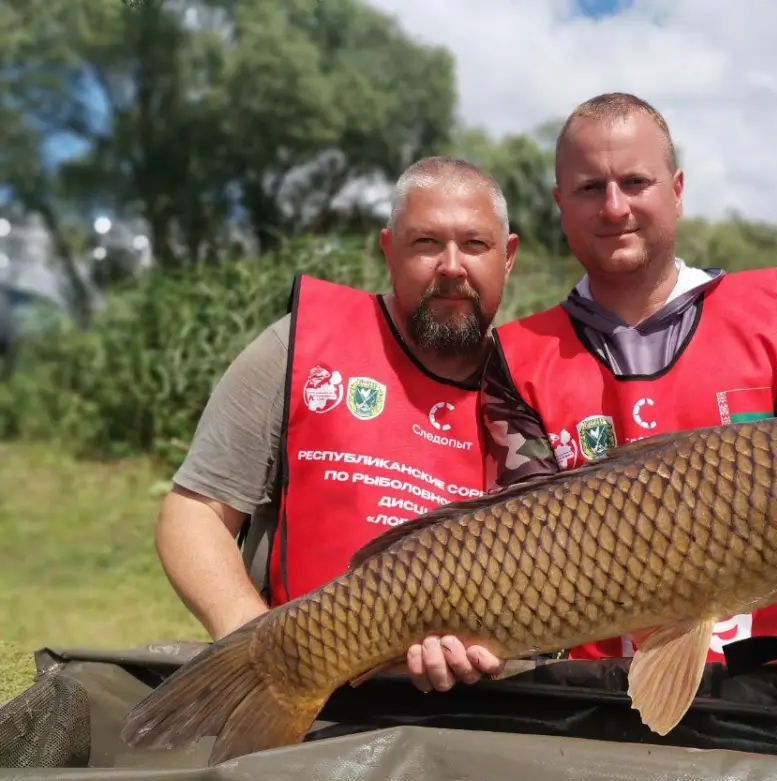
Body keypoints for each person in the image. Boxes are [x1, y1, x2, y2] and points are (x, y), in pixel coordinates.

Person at [474, 92, 777, 666]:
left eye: (636, 182)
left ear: (677, 190)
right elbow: (525, 571)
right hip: (595, 706)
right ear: (560, 204)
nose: (614, 207)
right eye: (590, 188)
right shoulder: (517, 362)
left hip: (775, 689)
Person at [156, 156, 516, 691]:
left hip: (466, 703)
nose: (451, 266)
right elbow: (195, 514)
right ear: (388, 250)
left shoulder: (528, 390)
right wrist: (263, 653)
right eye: (425, 243)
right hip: (296, 684)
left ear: (507, 258)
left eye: (475, 245)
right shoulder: (299, 346)